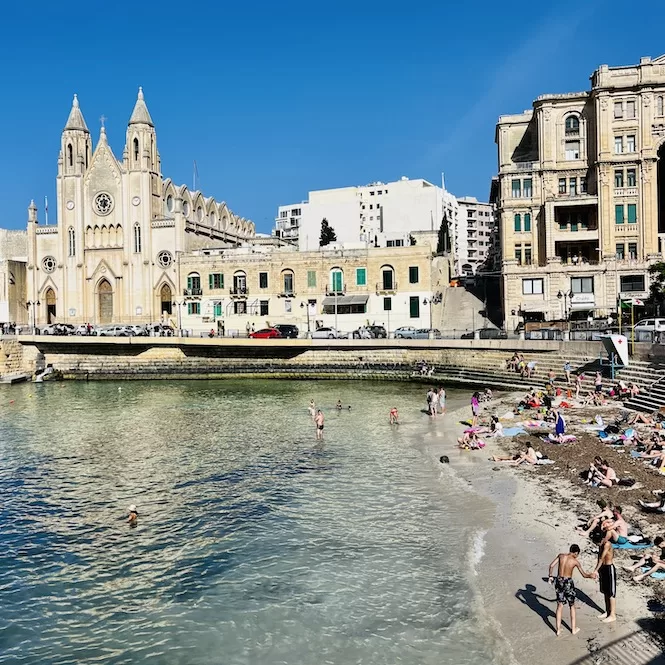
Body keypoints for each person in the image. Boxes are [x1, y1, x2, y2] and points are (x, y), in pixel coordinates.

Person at [548, 544, 597, 636]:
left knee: (559, 605)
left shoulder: (561, 556)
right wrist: (591, 575)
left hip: (559, 581)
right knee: (571, 605)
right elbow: (584, 575)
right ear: (576, 553)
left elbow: (551, 566)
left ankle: (558, 630)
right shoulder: (575, 561)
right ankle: (573, 629)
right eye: (577, 554)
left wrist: (550, 576)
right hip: (568, 582)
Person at [593, 538, 617, 623]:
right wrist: (598, 570)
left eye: (599, 542)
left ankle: (613, 615)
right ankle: (608, 611)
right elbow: (599, 558)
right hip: (603, 568)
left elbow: (602, 558)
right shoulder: (601, 545)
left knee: (611, 592)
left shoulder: (607, 544)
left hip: (609, 568)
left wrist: (595, 570)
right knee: (605, 591)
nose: (598, 545)